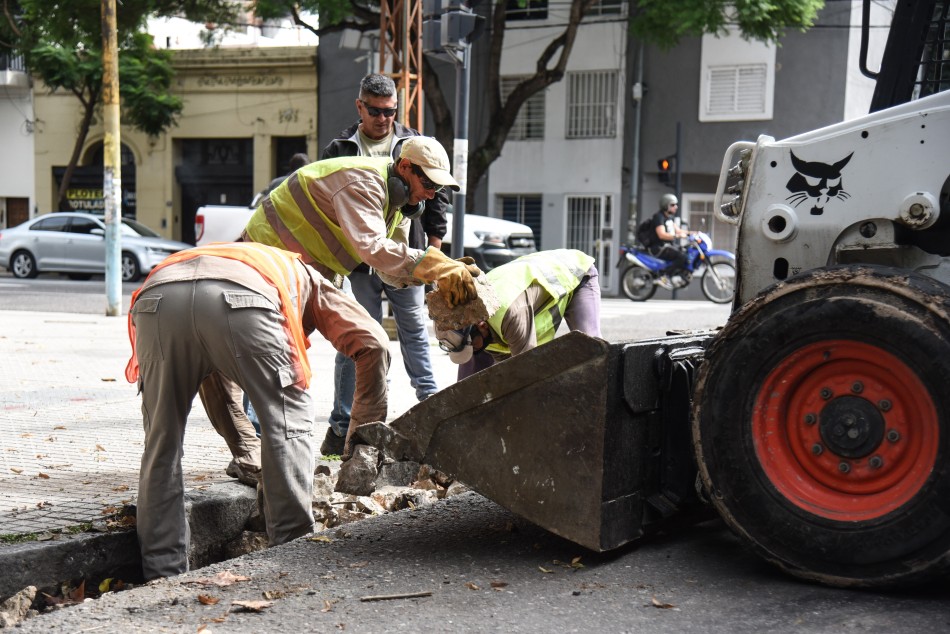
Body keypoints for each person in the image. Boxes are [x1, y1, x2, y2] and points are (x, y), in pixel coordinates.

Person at [124, 242, 391, 580]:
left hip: (157, 298)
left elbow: (217, 382)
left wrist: (249, 453)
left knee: (161, 444)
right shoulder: (313, 280)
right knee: (287, 423)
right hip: (244, 300)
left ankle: (162, 574)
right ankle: (292, 558)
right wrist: (362, 440)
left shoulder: (256, 259)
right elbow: (374, 344)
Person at [204, 134, 478, 458]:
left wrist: (437, 271)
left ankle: (358, 451)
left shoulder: (391, 202)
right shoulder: (362, 183)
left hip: (314, 273)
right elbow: (374, 249)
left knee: (372, 343)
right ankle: (256, 449)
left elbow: (383, 267)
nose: (432, 194)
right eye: (429, 183)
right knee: (268, 358)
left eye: (438, 188)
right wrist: (434, 264)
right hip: (271, 265)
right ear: (405, 167)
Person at [319, 73, 448, 456]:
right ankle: (342, 425)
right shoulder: (342, 147)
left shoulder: (412, 145)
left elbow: (436, 199)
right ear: (360, 107)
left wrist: (434, 252)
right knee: (356, 340)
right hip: (361, 262)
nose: (383, 119)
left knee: (415, 336)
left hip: (406, 257)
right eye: (375, 111)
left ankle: (433, 414)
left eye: (390, 112)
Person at [437, 249, 601, 381]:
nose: (474, 351)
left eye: (474, 347)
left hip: (574, 271)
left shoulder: (510, 314)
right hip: (525, 287)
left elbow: (527, 372)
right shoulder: (465, 313)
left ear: (481, 325)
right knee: (477, 368)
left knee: (592, 351)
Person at [646, 193, 693, 277]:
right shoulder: (659, 217)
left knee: (686, 251)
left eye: (676, 205)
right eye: (672, 205)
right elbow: (662, 235)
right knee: (682, 257)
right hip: (659, 247)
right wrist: (678, 236)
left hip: (668, 246)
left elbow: (678, 231)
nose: (676, 207)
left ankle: (678, 275)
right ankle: (664, 274)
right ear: (665, 205)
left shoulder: (669, 218)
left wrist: (694, 233)